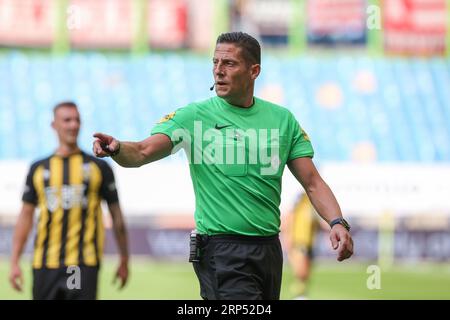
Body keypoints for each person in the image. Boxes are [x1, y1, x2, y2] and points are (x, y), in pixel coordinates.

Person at [92, 32, 353, 300]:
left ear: (254, 71)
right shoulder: (193, 117)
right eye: (215, 63)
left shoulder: (282, 120)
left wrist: (337, 221)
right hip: (221, 250)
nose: (218, 71)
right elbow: (143, 151)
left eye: (229, 64)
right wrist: (118, 148)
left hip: (269, 250)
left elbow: (312, 182)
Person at [9, 101, 129, 300]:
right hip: (45, 264)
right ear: (54, 125)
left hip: (82, 264)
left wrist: (124, 258)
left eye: (77, 120)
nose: (73, 125)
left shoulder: (99, 168)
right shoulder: (38, 168)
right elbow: (25, 216)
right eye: (67, 120)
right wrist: (14, 261)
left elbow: (116, 216)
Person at [284, 193, 323, 299]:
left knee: (307, 273)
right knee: (301, 271)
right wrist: (288, 237)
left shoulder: (312, 207)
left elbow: (316, 223)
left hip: (310, 243)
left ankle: (301, 292)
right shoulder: (299, 202)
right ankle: (299, 294)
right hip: (299, 242)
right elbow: (288, 218)